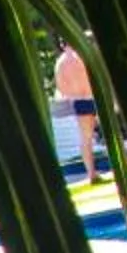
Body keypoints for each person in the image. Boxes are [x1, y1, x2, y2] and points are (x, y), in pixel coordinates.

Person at [53, 42, 100, 180]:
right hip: (94, 95)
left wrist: (73, 95)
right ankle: (122, 163)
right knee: (111, 131)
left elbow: (61, 87)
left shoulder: (61, 62)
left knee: (86, 138)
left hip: (79, 100)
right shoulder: (84, 55)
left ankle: (91, 173)